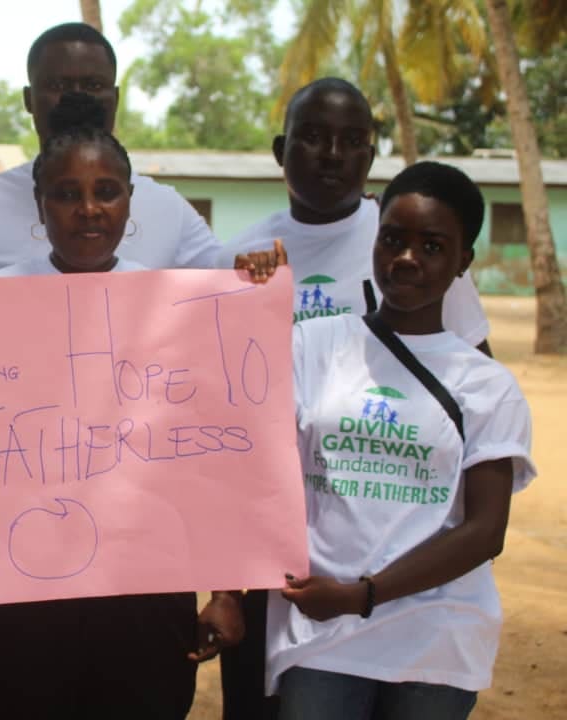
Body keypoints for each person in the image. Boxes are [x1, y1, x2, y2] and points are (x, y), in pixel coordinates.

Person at [0, 92, 242, 720]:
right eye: (66, 193)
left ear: (130, 200)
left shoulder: (183, 310)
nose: (88, 210)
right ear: (40, 205)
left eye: (107, 190)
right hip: (11, 600)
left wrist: (226, 589)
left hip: (144, 593)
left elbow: (213, 458)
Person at [218, 77, 493, 720]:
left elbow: (469, 391)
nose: (332, 154)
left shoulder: (410, 235)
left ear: (370, 159)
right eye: (313, 137)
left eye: (351, 141)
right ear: (282, 149)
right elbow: (223, 398)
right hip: (279, 539)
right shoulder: (244, 253)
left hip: (394, 537)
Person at [256, 161, 534, 719]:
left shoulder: (487, 386)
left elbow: (484, 531)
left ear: (463, 262)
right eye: (393, 239)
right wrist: (249, 297)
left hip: (436, 638)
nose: (406, 258)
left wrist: (364, 594)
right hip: (322, 635)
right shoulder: (311, 345)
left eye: (432, 246)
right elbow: (251, 458)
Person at [0, 21, 223, 274]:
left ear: (115, 99)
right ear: (29, 99)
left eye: (93, 84)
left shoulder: (168, 209)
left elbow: (229, 285)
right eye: (58, 84)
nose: (77, 96)